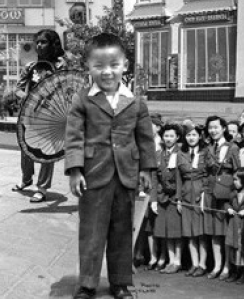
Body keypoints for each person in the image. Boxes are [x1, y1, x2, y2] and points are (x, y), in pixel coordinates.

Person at [65, 33, 157, 299]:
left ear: (125, 65)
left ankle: (119, 282)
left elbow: (145, 139)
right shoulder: (81, 100)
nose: (107, 72)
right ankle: (88, 283)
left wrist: (146, 170)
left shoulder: (136, 101)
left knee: (122, 230)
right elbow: (73, 138)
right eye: (99, 66)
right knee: (91, 232)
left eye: (114, 65)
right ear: (88, 67)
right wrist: (75, 170)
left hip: (126, 175)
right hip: (94, 175)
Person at [13, 29, 66, 203]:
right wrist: (28, 98)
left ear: (53, 45)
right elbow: (18, 89)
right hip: (31, 114)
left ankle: (42, 187)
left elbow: (67, 90)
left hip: (51, 115)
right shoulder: (31, 67)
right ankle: (26, 179)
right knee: (25, 147)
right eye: (38, 42)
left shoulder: (61, 67)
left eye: (43, 42)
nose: (39, 45)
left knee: (47, 152)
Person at [203, 115, 241, 279]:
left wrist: (234, 196)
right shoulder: (208, 148)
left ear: (223, 128)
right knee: (214, 232)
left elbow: (238, 172)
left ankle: (227, 267)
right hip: (212, 193)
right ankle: (217, 265)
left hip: (226, 194)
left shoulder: (232, 147)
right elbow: (206, 172)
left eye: (216, 127)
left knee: (225, 232)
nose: (213, 130)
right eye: (210, 127)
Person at [151, 123, 185, 274]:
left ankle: (177, 260)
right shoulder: (158, 154)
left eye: (172, 136)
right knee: (166, 231)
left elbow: (180, 178)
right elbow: (154, 178)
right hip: (161, 196)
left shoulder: (181, 154)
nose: (169, 139)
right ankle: (170, 260)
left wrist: (179, 198)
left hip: (175, 197)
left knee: (176, 231)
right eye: (166, 136)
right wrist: (153, 199)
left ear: (177, 137)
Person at [179, 123, 209, 277]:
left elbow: (207, 175)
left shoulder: (205, 152)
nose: (191, 138)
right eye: (188, 135)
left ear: (199, 136)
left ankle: (203, 264)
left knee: (200, 232)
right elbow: (178, 177)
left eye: (194, 135)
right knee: (189, 231)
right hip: (185, 194)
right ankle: (194, 263)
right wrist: (178, 198)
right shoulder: (181, 153)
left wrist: (204, 193)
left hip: (200, 193)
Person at [225, 167, 244, 282]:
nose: (234, 182)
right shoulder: (233, 192)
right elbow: (227, 204)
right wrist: (229, 209)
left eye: (236, 180)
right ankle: (235, 271)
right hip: (234, 224)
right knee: (234, 248)